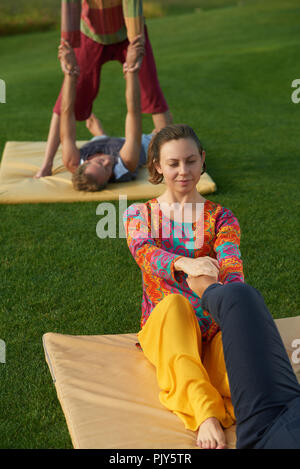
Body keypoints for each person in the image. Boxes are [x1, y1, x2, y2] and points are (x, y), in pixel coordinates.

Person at [123, 124, 244, 449]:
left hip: (214, 324)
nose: (183, 171)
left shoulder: (222, 218)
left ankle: (235, 402)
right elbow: (145, 254)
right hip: (167, 325)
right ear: (158, 167)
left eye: (191, 161)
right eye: (173, 163)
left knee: (240, 373)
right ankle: (206, 415)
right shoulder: (140, 213)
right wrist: (184, 263)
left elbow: (232, 267)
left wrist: (233, 304)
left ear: (202, 160)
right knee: (176, 309)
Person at [35, 0, 172, 178]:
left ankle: (171, 157)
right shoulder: (123, 163)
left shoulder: (75, 163)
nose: (106, 162)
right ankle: (47, 163)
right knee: (67, 98)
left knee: (151, 92)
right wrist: (66, 47)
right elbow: (70, 5)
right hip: (91, 34)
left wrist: (136, 44)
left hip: (129, 32)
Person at [186, 275, 300, 449]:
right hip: (286, 412)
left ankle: (206, 414)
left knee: (236, 296)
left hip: (273, 427)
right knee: (238, 296)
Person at [57, 37, 160, 191]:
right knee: (167, 133)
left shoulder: (72, 161)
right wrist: (131, 69)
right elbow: (133, 113)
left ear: (85, 162)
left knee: (94, 131)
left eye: (99, 163)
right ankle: (103, 135)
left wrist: (70, 73)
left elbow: (66, 113)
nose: (107, 162)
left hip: (105, 143)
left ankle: (101, 135)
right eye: (107, 170)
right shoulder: (126, 162)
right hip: (141, 146)